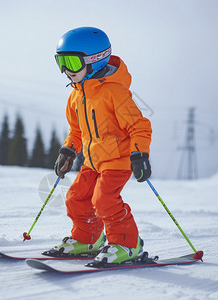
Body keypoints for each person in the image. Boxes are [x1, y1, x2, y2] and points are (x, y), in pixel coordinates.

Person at [47, 27, 152, 265]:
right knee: (76, 197)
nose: (65, 70)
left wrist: (139, 154)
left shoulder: (115, 92)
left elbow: (139, 126)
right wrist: (68, 150)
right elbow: (76, 131)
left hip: (119, 159)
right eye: (60, 62)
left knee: (104, 200)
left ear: (94, 60)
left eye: (71, 62)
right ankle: (88, 239)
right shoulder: (75, 95)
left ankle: (127, 244)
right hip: (93, 161)